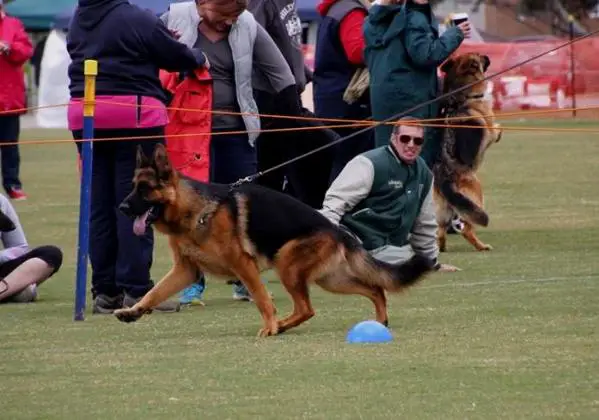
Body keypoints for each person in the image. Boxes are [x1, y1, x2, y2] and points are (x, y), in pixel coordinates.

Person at [66, 0, 209, 314]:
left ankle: (105, 292)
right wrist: (198, 55)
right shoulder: (137, 17)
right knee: (135, 204)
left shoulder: (80, 17)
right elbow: (176, 57)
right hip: (134, 114)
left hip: (84, 112)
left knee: (99, 205)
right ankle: (136, 289)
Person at [159, 0, 303, 304]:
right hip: (188, 132)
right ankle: (191, 279)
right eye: (224, 14)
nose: (229, 22)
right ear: (206, 3)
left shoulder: (247, 24)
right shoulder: (173, 18)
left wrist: (293, 114)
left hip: (236, 128)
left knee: (240, 209)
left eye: (235, 16)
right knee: (188, 211)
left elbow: (280, 72)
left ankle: (243, 278)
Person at [319, 116, 459, 271]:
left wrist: (432, 262)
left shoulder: (424, 174)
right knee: (409, 262)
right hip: (353, 244)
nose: (411, 145)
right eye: (405, 138)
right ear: (393, 138)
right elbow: (333, 206)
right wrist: (326, 246)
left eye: (417, 141)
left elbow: (425, 223)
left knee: (411, 260)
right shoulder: (368, 164)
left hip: (390, 250)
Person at [363, 0, 469, 167]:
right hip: (412, 99)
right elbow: (425, 55)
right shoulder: (415, 17)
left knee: (387, 155)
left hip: (384, 98)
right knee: (416, 159)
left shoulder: (373, 20)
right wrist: (455, 34)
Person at [312, 0, 375, 187]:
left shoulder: (337, 8)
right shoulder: (352, 12)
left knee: (336, 162)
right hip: (349, 103)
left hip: (331, 98)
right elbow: (356, 52)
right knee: (349, 165)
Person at [0, 194, 63, 303]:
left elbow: (20, 248)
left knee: (51, 254)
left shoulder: (1, 201)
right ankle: (12, 291)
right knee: (24, 290)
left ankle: (7, 289)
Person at [0, 0, 33, 201]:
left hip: (8, 100)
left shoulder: (13, 25)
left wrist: (8, 48)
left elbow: (25, 51)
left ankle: (12, 184)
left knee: (10, 146)